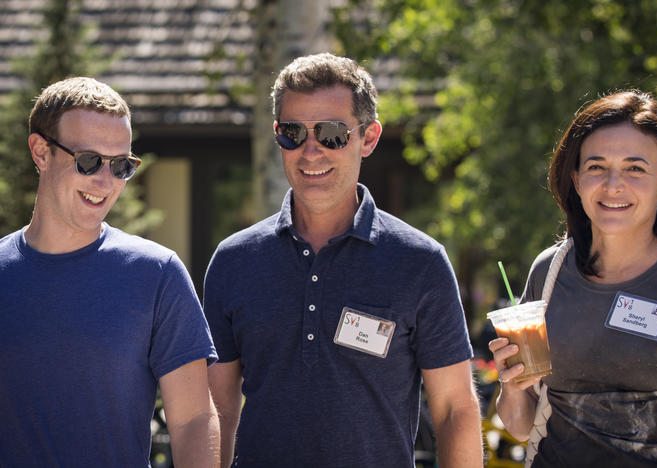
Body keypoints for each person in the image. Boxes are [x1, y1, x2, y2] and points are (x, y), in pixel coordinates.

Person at [204, 53, 483, 468]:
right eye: (293, 132)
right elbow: (218, 412)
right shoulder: (234, 261)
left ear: (368, 138)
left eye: (332, 133)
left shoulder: (420, 262)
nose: (310, 151)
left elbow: (454, 410)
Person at [0, 77, 220, 466]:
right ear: (40, 152)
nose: (106, 182)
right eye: (89, 161)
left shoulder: (157, 274)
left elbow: (193, 419)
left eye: (121, 165)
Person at [489, 90, 657, 467]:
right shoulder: (550, 271)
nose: (613, 184)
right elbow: (521, 426)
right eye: (596, 167)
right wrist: (513, 385)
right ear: (576, 179)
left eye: (635, 168)